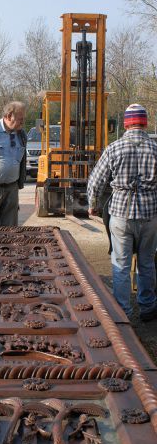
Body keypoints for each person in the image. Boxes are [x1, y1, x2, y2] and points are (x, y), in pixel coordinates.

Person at [87, 103, 157, 321]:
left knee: (121, 263)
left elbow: (95, 181)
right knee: (146, 261)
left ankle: (122, 312)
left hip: (120, 213)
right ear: (144, 123)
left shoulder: (114, 148)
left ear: (126, 123)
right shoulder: (155, 148)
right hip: (150, 214)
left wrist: (93, 203)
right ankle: (147, 308)